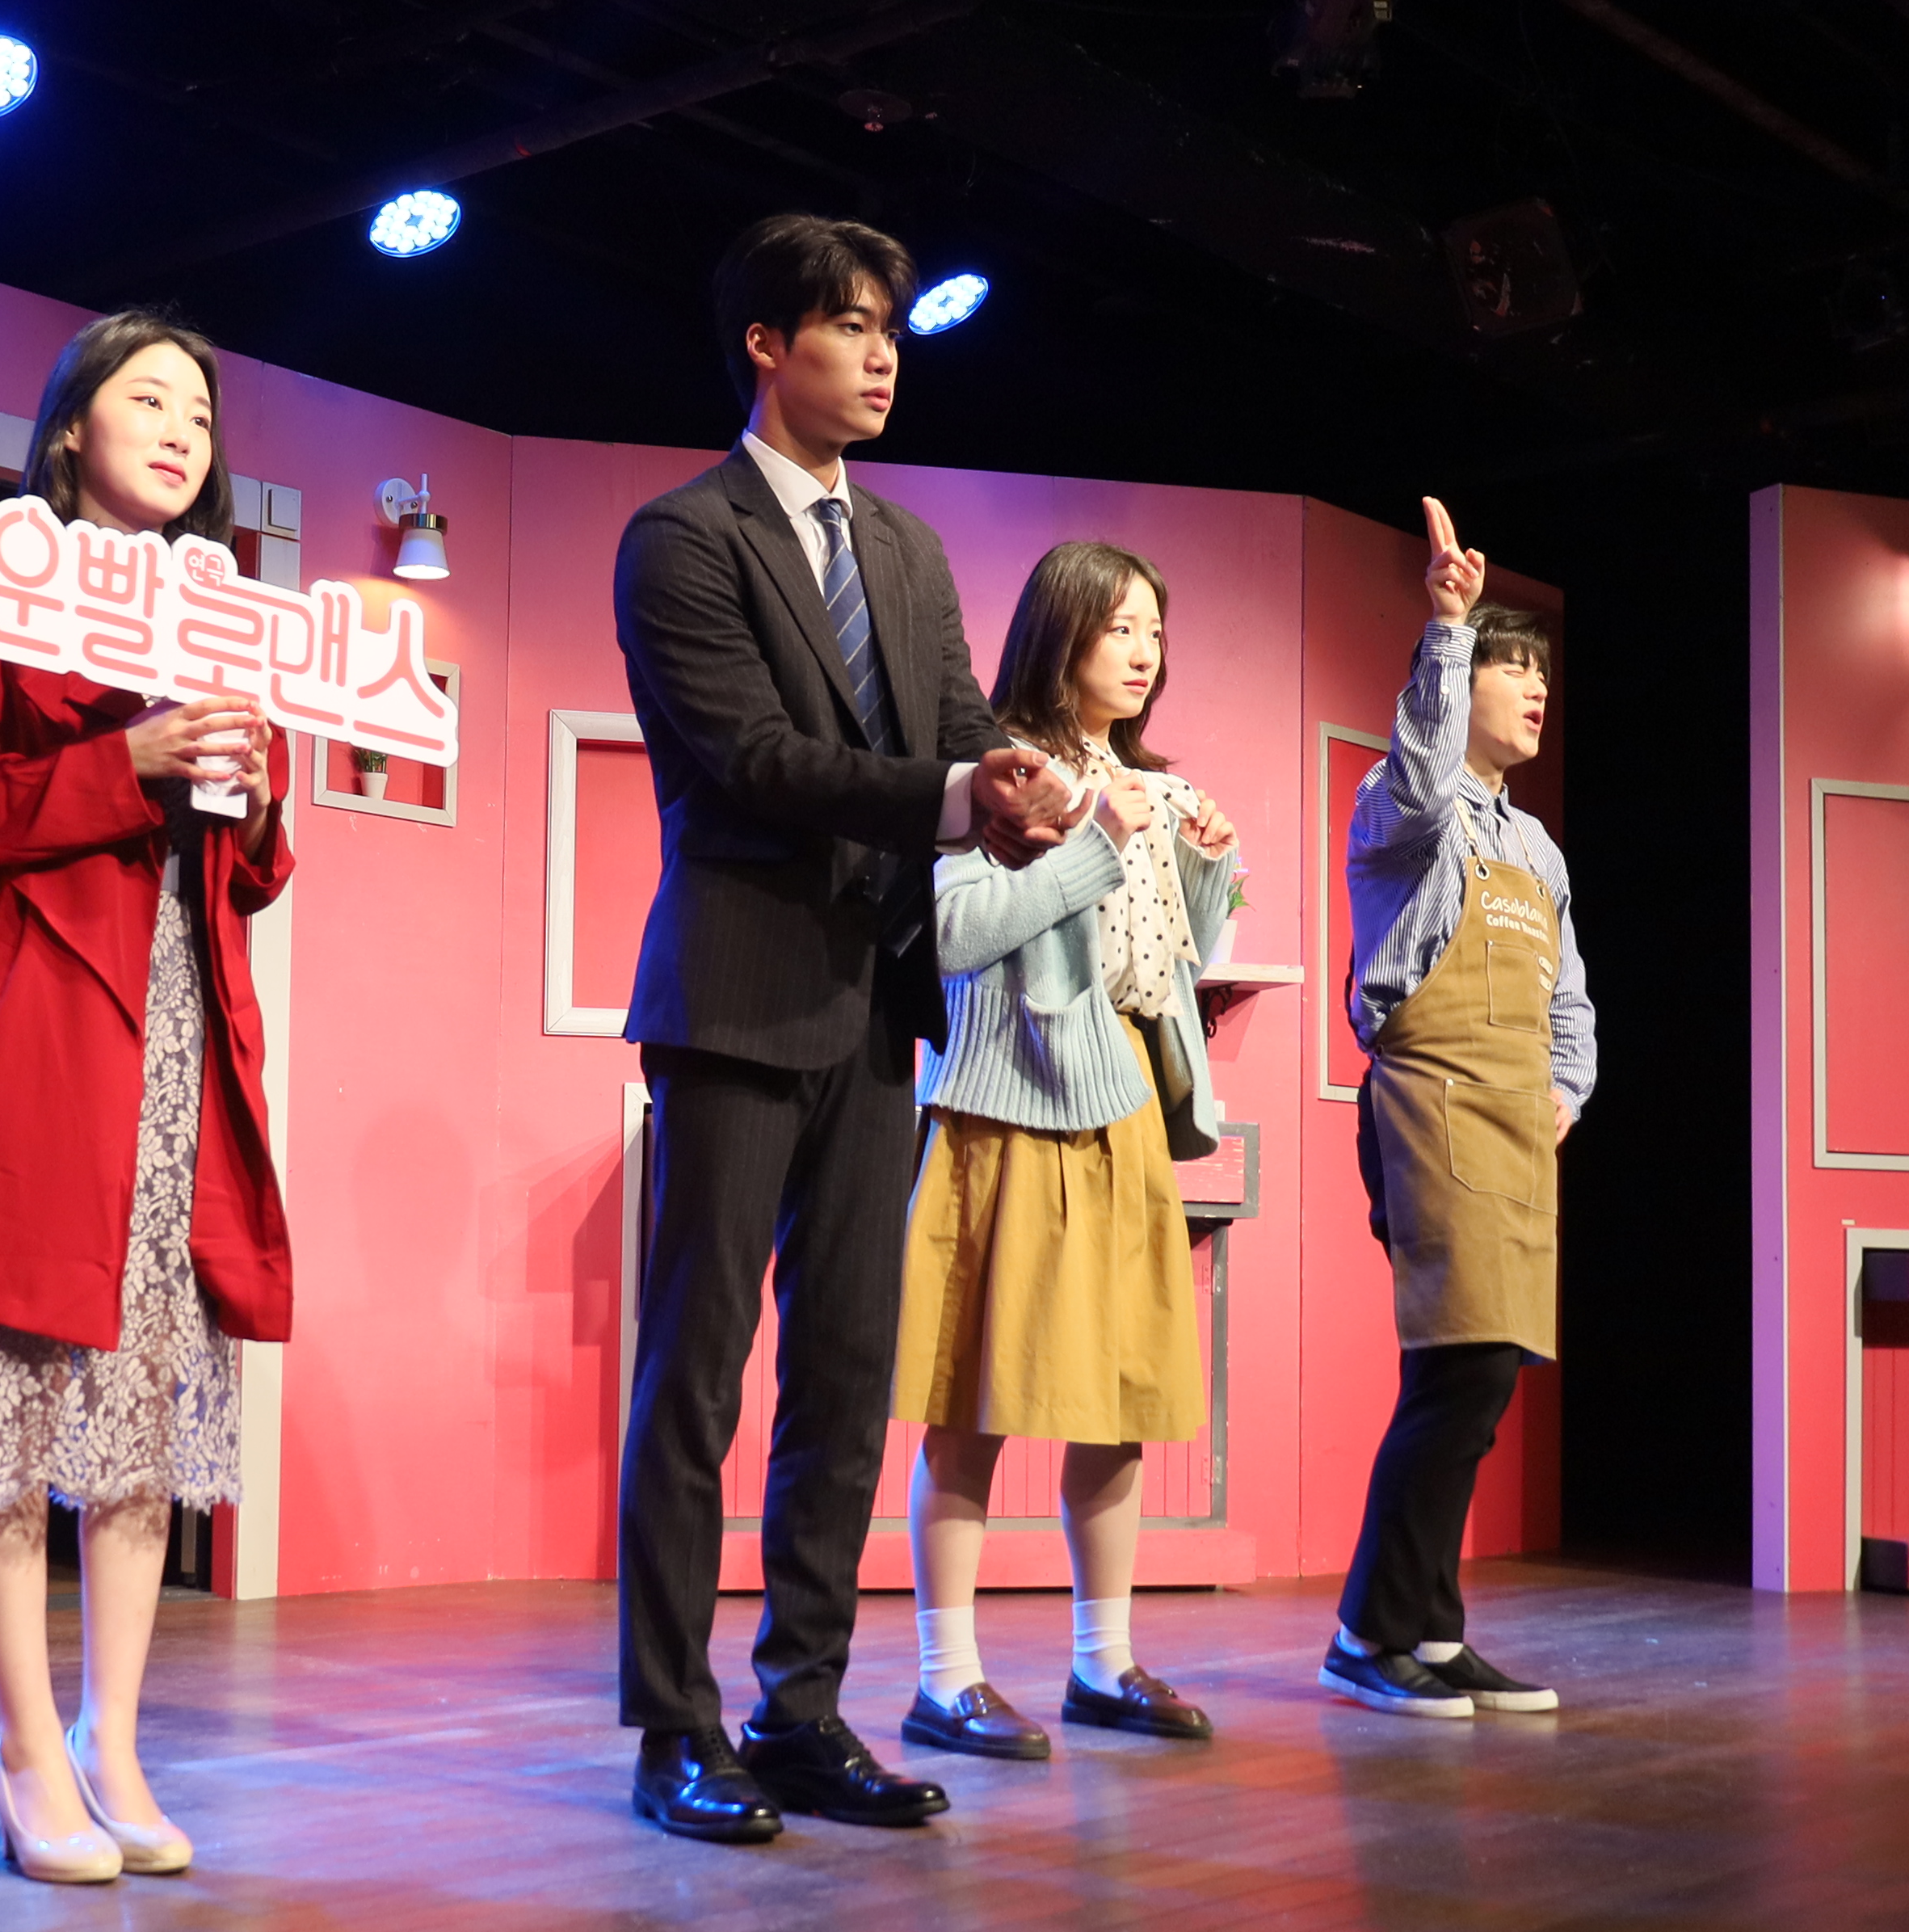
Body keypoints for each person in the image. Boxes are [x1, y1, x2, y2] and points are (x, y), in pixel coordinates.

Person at [612, 213, 1075, 1843]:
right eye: (853, 326)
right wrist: (959, 797)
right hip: (735, 1001)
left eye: (893, 330)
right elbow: (752, 759)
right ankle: (675, 1727)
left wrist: (1026, 786)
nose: (884, 357)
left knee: (846, 1373)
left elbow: (957, 730)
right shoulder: (683, 537)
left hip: (880, 1005)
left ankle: (800, 1710)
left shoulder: (909, 552)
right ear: (769, 343)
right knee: (697, 1379)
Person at [0, 309, 294, 1881]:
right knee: (7, 1400)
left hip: (181, 1029)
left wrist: (250, 796)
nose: (185, 428)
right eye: (150, 399)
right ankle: (25, 1749)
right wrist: (124, 767)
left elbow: (255, 869)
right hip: (41, 1024)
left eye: (201, 409)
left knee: (143, 1406)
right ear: (71, 429)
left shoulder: (230, 622)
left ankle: (114, 1739)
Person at [891, 542, 1243, 1761]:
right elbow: (955, 933)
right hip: (1011, 1107)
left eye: (1155, 630)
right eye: (1120, 628)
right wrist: (1094, 837)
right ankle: (946, 1678)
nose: (1144, 653)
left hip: (1125, 1105)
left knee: (1123, 1396)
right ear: (1062, 634)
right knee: (971, 1402)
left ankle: (1104, 1661)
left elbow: (1166, 964)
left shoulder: (1141, 779)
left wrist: (1203, 866)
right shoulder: (1001, 767)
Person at [1321, 497, 1594, 1721]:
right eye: (1511, 666)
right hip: (1429, 1103)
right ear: (1459, 685)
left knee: (1482, 1379)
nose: (1536, 688)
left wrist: (1565, 1091)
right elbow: (1430, 781)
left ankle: (1429, 1630)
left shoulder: (1538, 848)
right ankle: (1371, 1633)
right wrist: (1444, 627)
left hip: (1516, 1121)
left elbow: (1569, 993)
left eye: (1543, 671)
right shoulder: (1401, 806)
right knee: (1460, 1368)